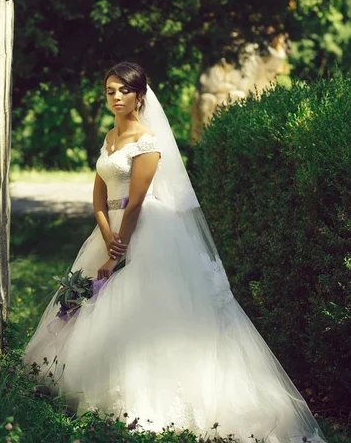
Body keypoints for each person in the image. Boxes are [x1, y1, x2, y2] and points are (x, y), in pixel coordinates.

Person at [22, 61, 326, 443]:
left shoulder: (147, 141)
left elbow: (135, 202)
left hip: (143, 230)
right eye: (110, 91)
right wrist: (105, 233)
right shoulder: (110, 135)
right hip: (110, 231)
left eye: (123, 91)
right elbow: (99, 191)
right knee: (93, 304)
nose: (116, 97)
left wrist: (118, 251)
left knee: (143, 306)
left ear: (139, 95)